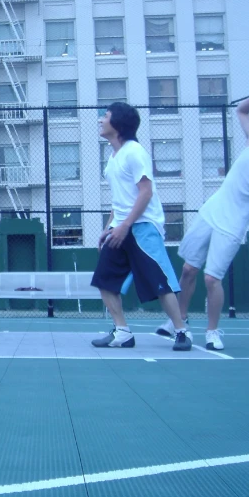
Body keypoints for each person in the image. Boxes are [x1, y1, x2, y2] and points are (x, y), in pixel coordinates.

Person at [156, 90, 249, 350]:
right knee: (188, 270)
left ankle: (213, 331)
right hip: (211, 212)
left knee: (211, 279)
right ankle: (179, 321)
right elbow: (241, 111)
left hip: (232, 225)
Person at [92, 102, 191, 350]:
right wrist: (109, 226)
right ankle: (122, 332)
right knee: (105, 280)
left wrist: (126, 225)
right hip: (120, 227)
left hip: (144, 226)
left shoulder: (135, 152)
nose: (101, 120)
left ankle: (181, 331)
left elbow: (145, 193)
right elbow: (121, 197)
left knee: (160, 282)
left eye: (105, 116)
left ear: (118, 124)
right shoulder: (113, 156)